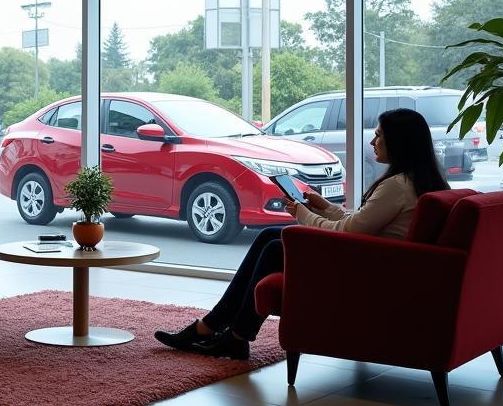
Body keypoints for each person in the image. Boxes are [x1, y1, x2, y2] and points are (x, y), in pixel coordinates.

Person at [155, 107, 450, 359]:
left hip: (367, 267)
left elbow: (348, 232)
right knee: (270, 236)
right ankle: (227, 331)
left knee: (274, 246)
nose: (373, 141)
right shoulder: (421, 181)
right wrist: (324, 208)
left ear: (399, 142)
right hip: (381, 259)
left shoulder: (395, 186)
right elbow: (365, 223)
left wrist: (302, 214)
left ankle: (226, 332)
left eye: (379, 135)